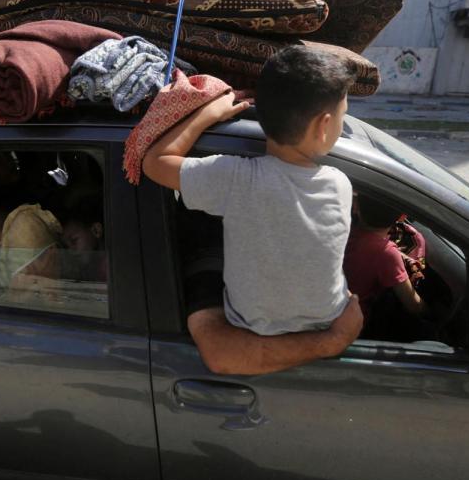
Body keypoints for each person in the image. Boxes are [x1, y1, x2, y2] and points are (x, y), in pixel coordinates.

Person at [142, 45, 363, 372]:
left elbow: (154, 163)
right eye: (342, 119)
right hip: (328, 321)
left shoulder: (234, 179)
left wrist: (208, 114)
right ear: (323, 125)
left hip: (249, 326)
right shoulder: (341, 184)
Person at [345, 194, 426, 330]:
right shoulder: (386, 253)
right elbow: (413, 306)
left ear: (355, 206)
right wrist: (431, 312)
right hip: (354, 326)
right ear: (402, 217)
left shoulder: (344, 231)